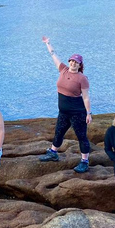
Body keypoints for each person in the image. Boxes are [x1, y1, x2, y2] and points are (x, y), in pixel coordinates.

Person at [39, 36, 93, 172]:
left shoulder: (82, 78)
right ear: (69, 61)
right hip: (63, 111)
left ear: (80, 65)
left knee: (81, 137)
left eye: (76, 62)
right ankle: (53, 153)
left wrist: (88, 113)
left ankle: (84, 162)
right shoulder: (63, 69)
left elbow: (86, 97)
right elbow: (53, 55)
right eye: (72, 61)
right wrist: (48, 43)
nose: (73, 63)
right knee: (58, 132)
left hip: (77, 113)